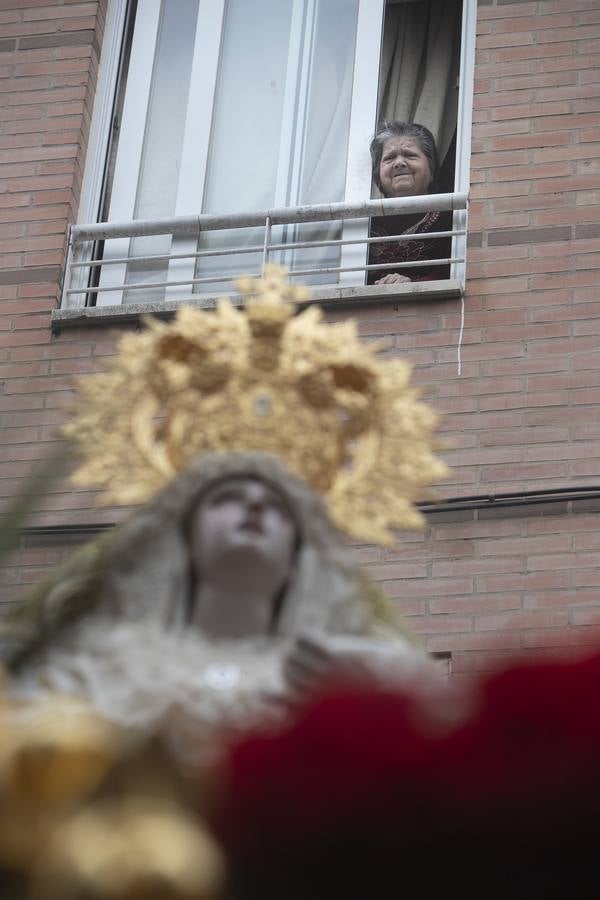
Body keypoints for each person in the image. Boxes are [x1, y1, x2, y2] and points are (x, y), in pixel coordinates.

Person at [367, 121, 452, 285]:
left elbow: (456, 270)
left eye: (410, 155)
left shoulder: (451, 216)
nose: (399, 163)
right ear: (378, 176)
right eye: (390, 158)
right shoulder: (364, 223)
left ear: (431, 168)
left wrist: (413, 284)